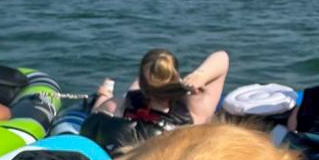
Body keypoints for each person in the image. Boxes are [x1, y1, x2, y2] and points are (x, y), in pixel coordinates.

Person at [94, 47, 230, 128]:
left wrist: (104, 97)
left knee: (121, 97)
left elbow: (94, 115)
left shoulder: (121, 106)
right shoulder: (195, 110)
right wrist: (200, 75)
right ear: (176, 77)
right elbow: (222, 57)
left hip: (133, 110)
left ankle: (105, 92)